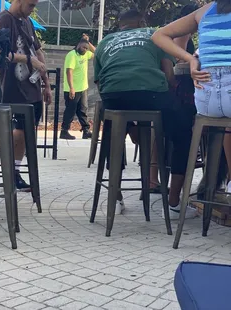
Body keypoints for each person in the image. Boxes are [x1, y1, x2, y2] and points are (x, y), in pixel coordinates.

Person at [94, 9, 198, 218]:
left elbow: (100, 82)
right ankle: (174, 204)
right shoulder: (154, 34)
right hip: (151, 95)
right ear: (142, 21)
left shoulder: (105, 42)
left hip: (112, 98)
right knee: (184, 134)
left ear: (120, 25)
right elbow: (169, 76)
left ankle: (115, 196)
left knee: (115, 133)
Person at [152, 0, 231, 194]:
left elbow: (159, 35)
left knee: (227, 122)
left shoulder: (204, 11)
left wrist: (190, 59)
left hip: (206, 103)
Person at [0, 0, 52, 191]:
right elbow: (0, 53)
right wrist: (28, 59)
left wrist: (46, 84)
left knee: (27, 129)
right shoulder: (5, 20)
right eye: (30, 4)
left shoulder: (27, 21)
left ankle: (1, 162)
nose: (32, 9)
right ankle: (0, 163)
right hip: (15, 85)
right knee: (22, 128)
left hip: (33, 84)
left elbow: (38, 51)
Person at [60, 36, 95, 140]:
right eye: (84, 47)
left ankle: (86, 131)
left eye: (86, 48)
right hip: (72, 88)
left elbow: (97, 53)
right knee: (70, 110)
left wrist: (88, 42)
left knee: (83, 110)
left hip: (83, 88)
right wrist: (71, 88)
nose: (85, 50)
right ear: (79, 45)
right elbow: (69, 71)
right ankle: (64, 131)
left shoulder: (86, 54)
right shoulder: (72, 55)